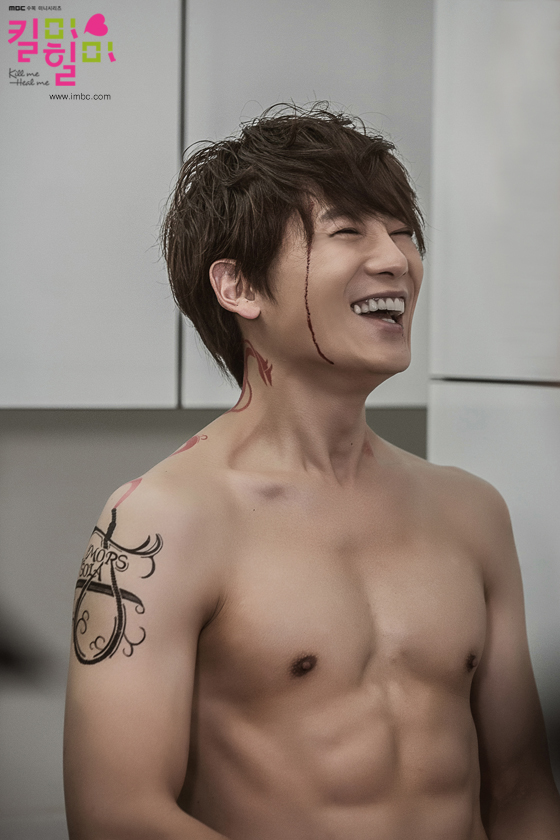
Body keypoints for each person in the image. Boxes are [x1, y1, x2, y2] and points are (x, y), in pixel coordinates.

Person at [63, 105, 560, 840]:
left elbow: (521, 789)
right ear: (239, 287)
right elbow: (116, 815)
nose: (396, 260)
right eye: (348, 231)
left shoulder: (472, 511)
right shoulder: (161, 522)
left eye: (403, 232)